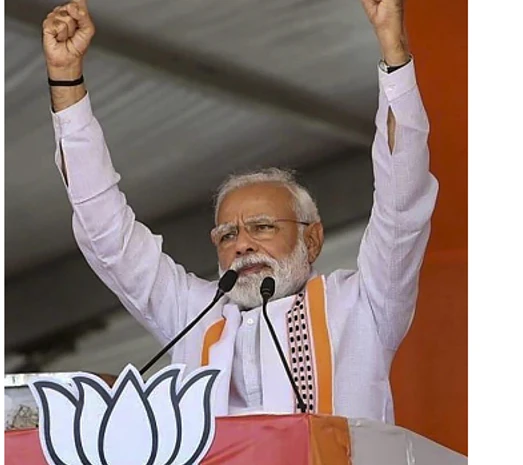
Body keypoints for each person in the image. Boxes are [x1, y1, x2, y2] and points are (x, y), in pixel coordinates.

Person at [40, 0, 438, 423]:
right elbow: (105, 232)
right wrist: (66, 79)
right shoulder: (193, 315)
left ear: (313, 238)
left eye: (262, 227)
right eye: (227, 234)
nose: (242, 244)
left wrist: (395, 56)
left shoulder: (362, 305)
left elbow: (402, 205)